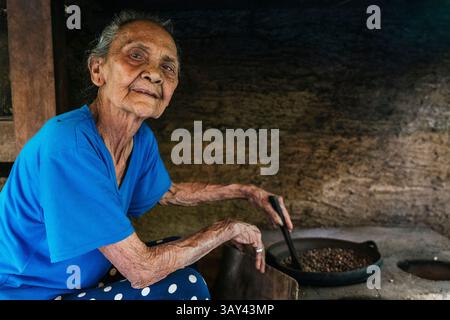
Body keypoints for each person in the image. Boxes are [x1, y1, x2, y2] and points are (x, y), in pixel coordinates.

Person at [0, 11, 293, 300]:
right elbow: (141, 269)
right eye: (136, 55)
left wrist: (245, 192)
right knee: (187, 284)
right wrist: (226, 229)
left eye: (168, 67)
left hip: (83, 280)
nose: (154, 73)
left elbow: (168, 192)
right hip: (33, 292)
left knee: (181, 252)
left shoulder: (139, 139)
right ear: (98, 70)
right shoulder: (68, 147)